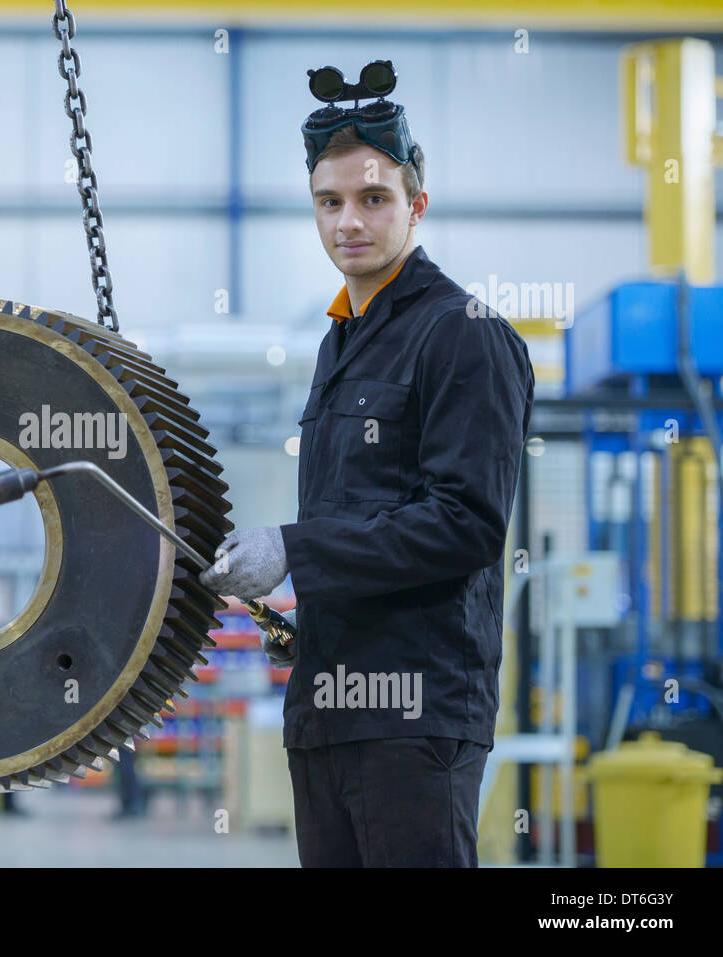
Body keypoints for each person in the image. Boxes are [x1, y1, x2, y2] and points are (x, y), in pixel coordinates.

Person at [200, 65, 534, 867]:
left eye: (374, 198)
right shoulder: (340, 343)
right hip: (326, 711)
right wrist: (310, 620)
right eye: (330, 202)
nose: (350, 220)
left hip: (413, 721)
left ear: (416, 204)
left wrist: (295, 551)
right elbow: (368, 518)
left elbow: (464, 524)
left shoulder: (462, 333)